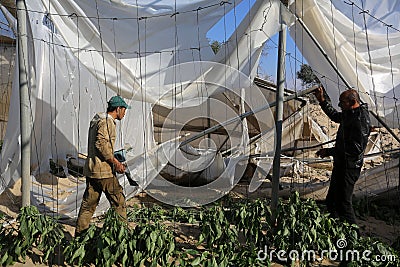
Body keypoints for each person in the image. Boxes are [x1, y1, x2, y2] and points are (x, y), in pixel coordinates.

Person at [314, 87, 370, 225]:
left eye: (342, 103)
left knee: (344, 203)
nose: (339, 106)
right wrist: (322, 100)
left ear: (352, 101)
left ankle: (353, 237)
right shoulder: (350, 113)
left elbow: (354, 150)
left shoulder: (359, 120)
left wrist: (329, 151)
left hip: (349, 167)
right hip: (342, 163)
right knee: (332, 200)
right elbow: (336, 116)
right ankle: (333, 228)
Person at [75, 95, 131, 235]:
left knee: (88, 205)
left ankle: (80, 235)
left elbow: (100, 144)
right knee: (118, 201)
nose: (124, 113)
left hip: (92, 170)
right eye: (124, 110)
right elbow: (101, 145)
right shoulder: (107, 122)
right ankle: (121, 236)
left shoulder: (97, 120)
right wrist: (115, 162)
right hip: (104, 172)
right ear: (118, 109)